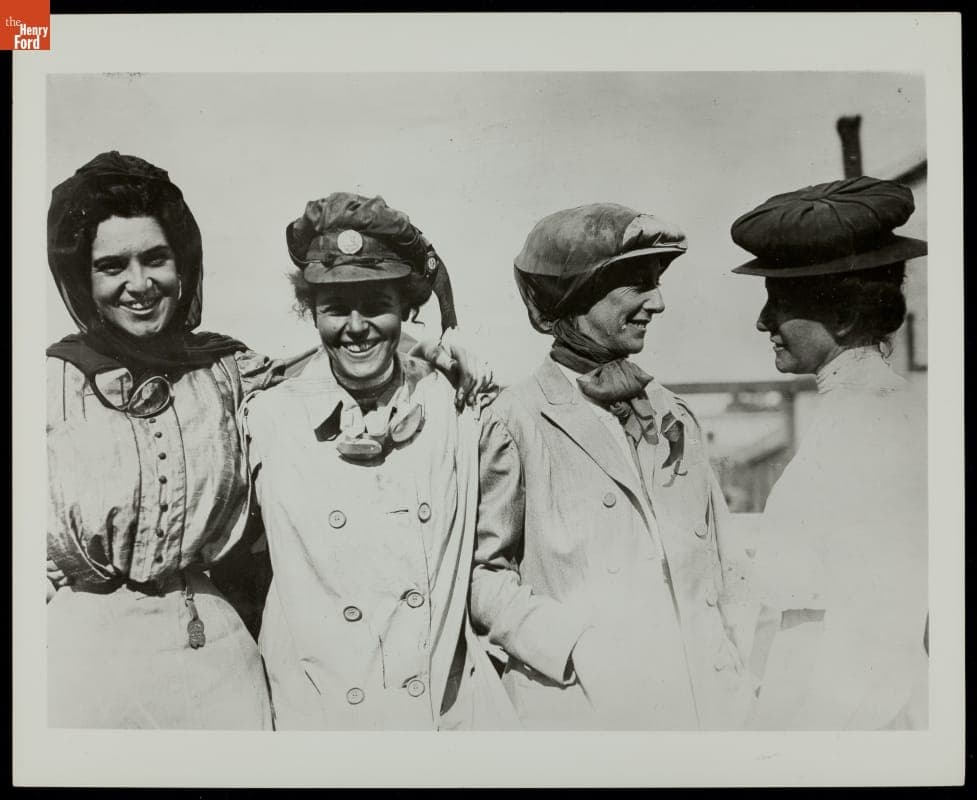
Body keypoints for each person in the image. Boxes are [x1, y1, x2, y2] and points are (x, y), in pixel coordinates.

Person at [44, 153, 492, 729]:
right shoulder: (47, 386)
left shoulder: (230, 374)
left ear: (183, 267)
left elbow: (332, 362)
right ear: (84, 278)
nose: (139, 284)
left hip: (215, 661)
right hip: (86, 662)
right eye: (112, 266)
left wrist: (430, 348)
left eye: (156, 259)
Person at [471, 203, 756, 729]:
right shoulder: (515, 419)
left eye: (657, 282)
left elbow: (723, 559)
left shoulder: (672, 411)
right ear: (575, 294)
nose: (659, 302)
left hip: (704, 708)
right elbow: (484, 576)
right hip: (589, 710)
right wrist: (574, 647)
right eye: (637, 284)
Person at [240, 193, 515, 730]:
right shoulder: (268, 419)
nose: (357, 326)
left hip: (438, 718)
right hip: (315, 720)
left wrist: (435, 351)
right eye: (335, 309)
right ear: (311, 313)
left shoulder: (454, 408)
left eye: (377, 305)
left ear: (408, 308)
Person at [729, 175, 929, 729]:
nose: (763, 321)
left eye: (780, 303)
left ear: (841, 318)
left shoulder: (875, 425)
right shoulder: (852, 409)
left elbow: (878, 637)